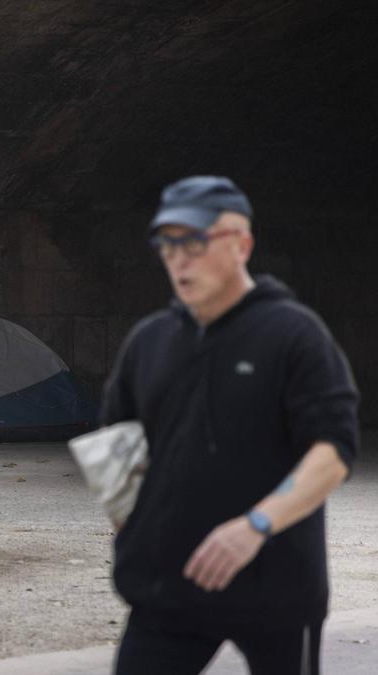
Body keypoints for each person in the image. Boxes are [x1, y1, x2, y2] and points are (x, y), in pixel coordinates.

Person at [101, 176, 359, 674]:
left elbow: (333, 450)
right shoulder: (149, 340)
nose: (179, 258)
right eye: (167, 243)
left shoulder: (294, 334)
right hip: (167, 592)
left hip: (276, 590)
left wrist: (255, 525)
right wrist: (133, 528)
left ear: (242, 244)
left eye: (194, 241)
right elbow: (115, 442)